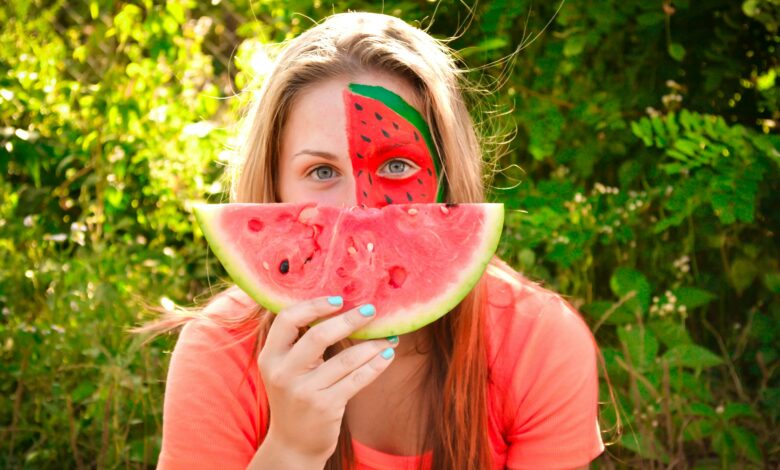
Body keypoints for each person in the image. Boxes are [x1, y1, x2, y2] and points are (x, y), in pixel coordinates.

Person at [139, 11, 604, 470]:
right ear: (274, 188)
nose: (360, 206)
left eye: (397, 165)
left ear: (448, 176)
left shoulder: (537, 344)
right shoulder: (220, 354)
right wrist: (290, 452)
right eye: (321, 171)